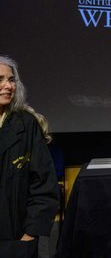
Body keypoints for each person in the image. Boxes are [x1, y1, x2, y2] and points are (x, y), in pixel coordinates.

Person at [0, 56, 59, 258]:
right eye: (0, 79)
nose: (8, 86)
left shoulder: (26, 125)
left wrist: (31, 233)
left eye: (11, 80)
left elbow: (44, 184)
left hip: (16, 241)